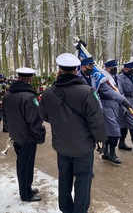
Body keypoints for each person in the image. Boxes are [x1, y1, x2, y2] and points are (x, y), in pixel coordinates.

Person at [39, 53, 107, 213]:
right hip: (83, 147)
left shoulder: (48, 93)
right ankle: (80, 210)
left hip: (61, 145)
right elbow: (96, 120)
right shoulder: (87, 91)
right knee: (83, 180)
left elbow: (44, 115)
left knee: (64, 179)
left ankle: (65, 208)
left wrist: (60, 122)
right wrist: (101, 141)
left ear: (60, 70)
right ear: (76, 70)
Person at [2, 67, 46, 202]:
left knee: (22, 164)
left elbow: (5, 116)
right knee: (26, 165)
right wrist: (39, 133)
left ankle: (26, 188)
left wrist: (11, 130)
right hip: (27, 137)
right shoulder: (28, 96)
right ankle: (26, 194)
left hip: (16, 135)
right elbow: (34, 120)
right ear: (29, 79)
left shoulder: (8, 94)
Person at [99, 59, 131, 164]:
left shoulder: (114, 78)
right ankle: (112, 153)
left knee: (111, 130)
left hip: (115, 105)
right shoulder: (103, 78)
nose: (115, 69)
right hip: (106, 105)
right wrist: (122, 99)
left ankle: (106, 152)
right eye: (113, 68)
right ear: (108, 68)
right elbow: (107, 91)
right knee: (113, 130)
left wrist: (122, 103)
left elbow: (119, 91)